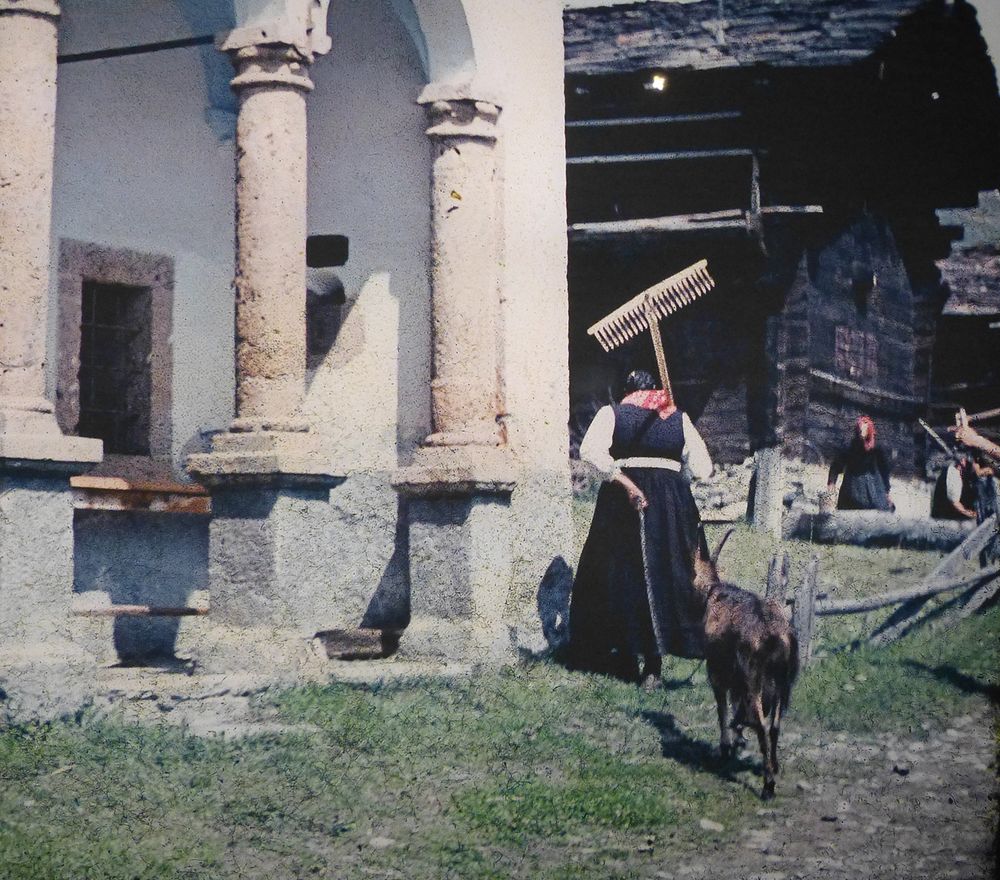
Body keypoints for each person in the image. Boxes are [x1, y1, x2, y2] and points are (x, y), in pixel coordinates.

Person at [569, 369, 713, 689]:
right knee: (667, 573)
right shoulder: (678, 419)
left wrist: (623, 479)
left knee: (623, 572)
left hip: (623, 500)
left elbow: (590, 452)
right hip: (671, 506)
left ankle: (629, 653)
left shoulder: (613, 413)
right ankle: (652, 663)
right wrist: (674, 481)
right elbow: (703, 468)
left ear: (626, 391)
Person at [826, 415, 894, 512]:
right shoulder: (850, 450)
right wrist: (831, 485)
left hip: (875, 497)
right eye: (860, 429)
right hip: (852, 496)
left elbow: (884, 473)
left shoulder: (877, 453)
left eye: (865, 428)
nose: (862, 432)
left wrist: (887, 494)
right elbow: (836, 466)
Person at [930, 453, 980, 520]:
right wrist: (972, 514)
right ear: (962, 461)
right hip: (948, 519)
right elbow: (955, 502)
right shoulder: (954, 475)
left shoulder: (957, 470)